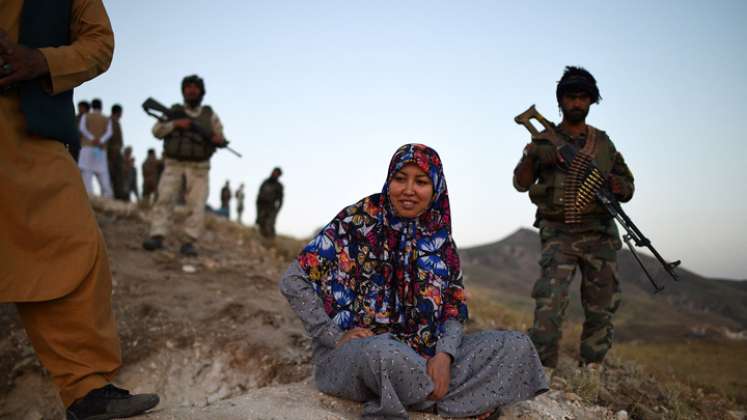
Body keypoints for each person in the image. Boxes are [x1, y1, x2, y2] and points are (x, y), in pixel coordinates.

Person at [281, 144, 547, 419]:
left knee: (515, 345)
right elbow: (293, 280)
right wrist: (333, 336)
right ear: (389, 180)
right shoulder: (357, 220)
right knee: (383, 353)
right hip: (358, 356)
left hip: (424, 356)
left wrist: (444, 356)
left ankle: (419, 395)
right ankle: (455, 402)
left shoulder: (439, 238)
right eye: (400, 179)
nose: (409, 190)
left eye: (421, 181)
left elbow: (453, 308)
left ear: (435, 189)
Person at [0, 1, 159, 419]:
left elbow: (99, 42)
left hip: (28, 127)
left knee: (74, 248)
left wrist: (41, 61)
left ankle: (86, 389)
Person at [512, 66, 635, 369]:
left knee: (601, 307)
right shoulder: (543, 140)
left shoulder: (603, 144)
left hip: (600, 233)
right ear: (561, 101)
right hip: (559, 233)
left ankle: (592, 370)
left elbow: (627, 185)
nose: (577, 103)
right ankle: (542, 371)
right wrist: (532, 156)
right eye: (571, 97)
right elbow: (520, 183)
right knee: (549, 303)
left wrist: (619, 186)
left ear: (592, 101)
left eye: (583, 97)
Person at [142, 74, 226, 257]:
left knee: (196, 205)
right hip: (174, 164)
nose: (191, 90)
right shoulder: (174, 111)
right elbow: (156, 131)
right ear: (183, 91)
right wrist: (175, 124)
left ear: (201, 92)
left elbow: (219, 137)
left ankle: (189, 242)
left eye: (195, 87)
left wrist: (218, 140)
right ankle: (157, 235)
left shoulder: (209, 115)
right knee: (164, 199)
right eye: (188, 87)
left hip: (199, 168)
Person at [78, 98, 114, 197]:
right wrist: (101, 140)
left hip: (87, 148)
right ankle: (108, 197)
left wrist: (92, 138)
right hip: (100, 149)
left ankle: (89, 198)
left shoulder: (86, 116)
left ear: (92, 106)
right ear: (101, 107)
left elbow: (82, 128)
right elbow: (109, 132)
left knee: (87, 173)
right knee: (103, 173)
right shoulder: (106, 119)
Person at [256, 167, 284, 238]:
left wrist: (276, 211)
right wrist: (258, 207)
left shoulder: (279, 186)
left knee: (269, 225)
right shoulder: (265, 182)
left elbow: (280, 200)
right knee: (260, 222)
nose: (274, 174)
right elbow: (259, 195)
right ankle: (263, 240)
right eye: (274, 172)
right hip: (261, 206)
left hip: (271, 208)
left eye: (277, 173)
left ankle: (271, 240)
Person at [108, 103, 127, 200]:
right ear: (118, 112)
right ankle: (114, 195)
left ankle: (118, 195)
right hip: (111, 153)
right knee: (111, 175)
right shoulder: (109, 122)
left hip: (117, 152)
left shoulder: (116, 122)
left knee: (118, 175)